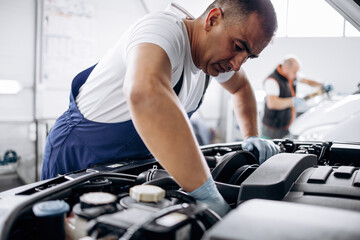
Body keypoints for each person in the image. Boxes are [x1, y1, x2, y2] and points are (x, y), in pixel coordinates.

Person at [41, 0, 279, 217]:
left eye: (249, 57)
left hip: (128, 168)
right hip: (77, 156)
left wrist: (251, 136)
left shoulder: (215, 59)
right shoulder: (161, 30)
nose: (237, 65)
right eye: (238, 46)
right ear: (212, 19)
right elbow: (144, 92)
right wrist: (205, 192)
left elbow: (241, 89)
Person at [261, 55, 332, 139]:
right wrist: (292, 101)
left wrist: (322, 84)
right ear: (285, 69)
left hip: (286, 125)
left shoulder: (290, 74)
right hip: (272, 129)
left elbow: (307, 81)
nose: (296, 75)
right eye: (294, 72)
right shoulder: (272, 80)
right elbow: (272, 103)